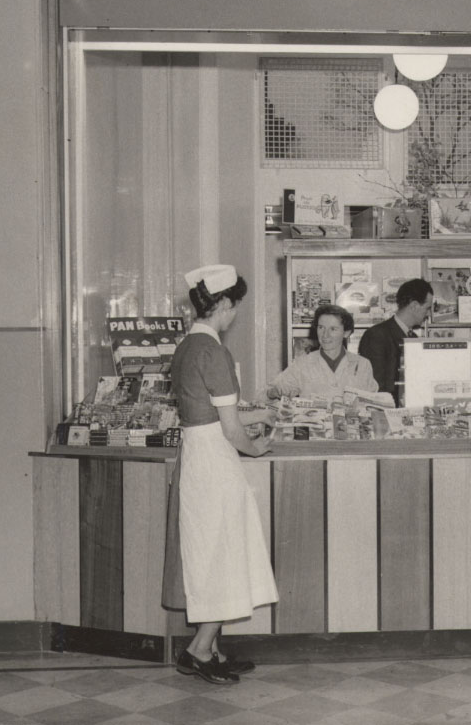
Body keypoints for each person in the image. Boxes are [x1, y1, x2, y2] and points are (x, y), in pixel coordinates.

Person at [169, 264, 278, 684]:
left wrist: (259, 415)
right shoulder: (215, 351)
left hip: (198, 453)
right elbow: (232, 430)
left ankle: (211, 649)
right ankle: (198, 650)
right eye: (236, 306)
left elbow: (210, 412)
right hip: (215, 460)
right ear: (225, 304)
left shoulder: (188, 344)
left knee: (212, 551)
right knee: (223, 553)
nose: (236, 315)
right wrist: (258, 445)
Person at [266, 304, 390, 403]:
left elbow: (374, 404)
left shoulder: (362, 364)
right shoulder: (302, 364)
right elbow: (268, 393)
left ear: (346, 333)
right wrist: (274, 393)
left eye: (333, 329)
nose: (325, 335)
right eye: (321, 328)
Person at [357, 277, 433, 406]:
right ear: (414, 305)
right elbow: (376, 387)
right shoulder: (376, 335)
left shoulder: (413, 339)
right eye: (427, 308)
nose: (429, 314)